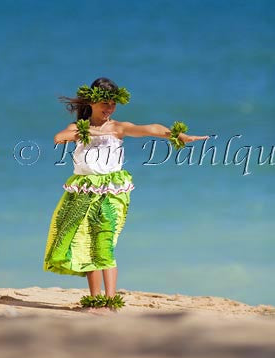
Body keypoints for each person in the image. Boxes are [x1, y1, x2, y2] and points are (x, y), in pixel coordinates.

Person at [43, 77, 209, 313]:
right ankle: (95, 300)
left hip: (112, 191)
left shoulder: (118, 128)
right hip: (82, 190)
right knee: (86, 242)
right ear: (92, 102)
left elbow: (150, 128)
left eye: (113, 104)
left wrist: (176, 135)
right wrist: (77, 135)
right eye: (105, 104)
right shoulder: (78, 128)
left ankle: (110, 302)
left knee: (105, 241)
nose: (109, 109)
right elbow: (59, 136)